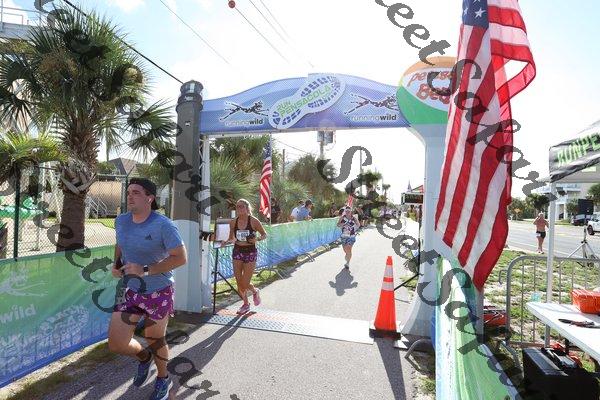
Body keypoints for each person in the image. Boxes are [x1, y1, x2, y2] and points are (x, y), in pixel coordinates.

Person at [109, 178, 187, 400]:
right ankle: (144, 358)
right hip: (131, 290)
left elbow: (181, 258)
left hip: (159, 292)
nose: (130, 196)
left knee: (155, 339)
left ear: (150, 198)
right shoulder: (121, 221)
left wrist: (144, 269)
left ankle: (163, 378)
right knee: (116, 343)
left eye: (136, 192)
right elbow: (120, 243)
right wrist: (116, 264)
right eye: (129, 192)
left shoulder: (164, 225)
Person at [223, 199, 267, 314]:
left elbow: (264, 234)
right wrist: (224, 242)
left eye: (241, 206)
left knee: (245, 283)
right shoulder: (233, 222)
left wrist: (257, 239)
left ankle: (255, 291)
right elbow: (231, 238)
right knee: (239, 282)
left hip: (250, 252)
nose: (239, 208)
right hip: (237, 251)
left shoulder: (254, 221)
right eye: (237, 206)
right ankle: (245, 304)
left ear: (247, 208)